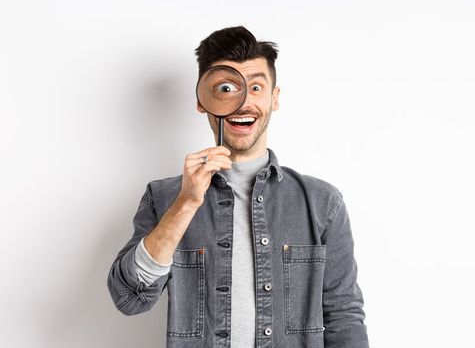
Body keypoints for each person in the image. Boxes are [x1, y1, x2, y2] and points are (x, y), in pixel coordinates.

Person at [107, 26, 369, 348]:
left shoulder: (322, 203)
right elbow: (129, 298)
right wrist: (187, 203)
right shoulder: (164, 199)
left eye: (256, 87)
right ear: (203, 101)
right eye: (226, 88)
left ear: (274, 98)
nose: (242, 103)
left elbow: (343, 317)